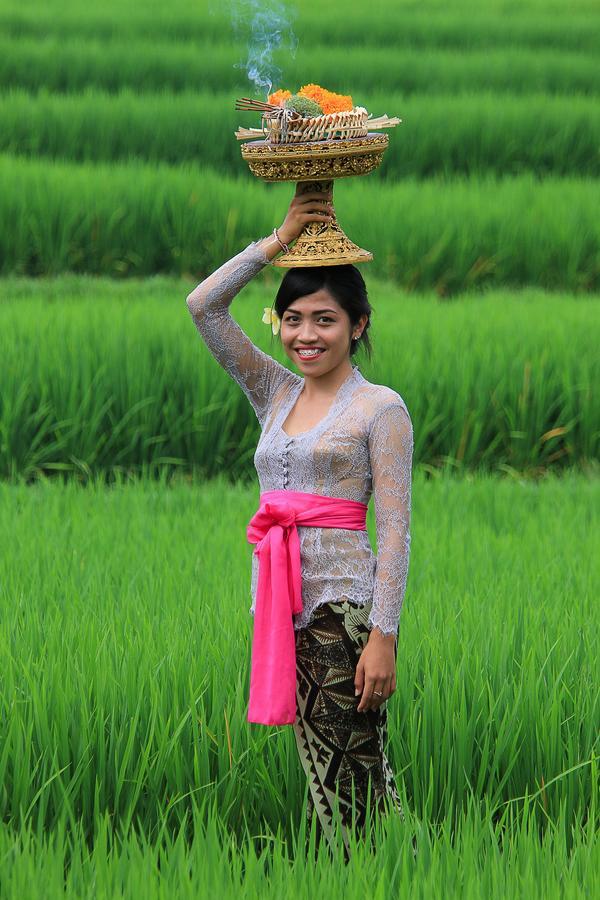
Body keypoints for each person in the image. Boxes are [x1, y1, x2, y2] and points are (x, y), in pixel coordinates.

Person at [185, 186, 414, 859]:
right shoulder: (274, 392)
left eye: (325, 320)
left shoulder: (380, 409)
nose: (305, 335)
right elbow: (204, 307)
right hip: (281, 604)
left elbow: (397, 529)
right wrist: (277, 241)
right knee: (324, 768)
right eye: (292, 319)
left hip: (341, 610)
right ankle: (375, 872)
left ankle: (386, 873)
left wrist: (385, 637)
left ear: (359, 325)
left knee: (352, 771)